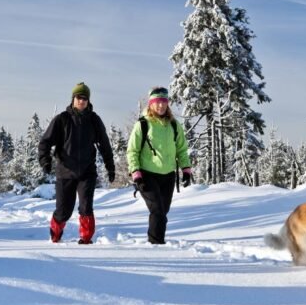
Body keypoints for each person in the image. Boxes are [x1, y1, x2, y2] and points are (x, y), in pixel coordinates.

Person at [38, 82, 115, 244]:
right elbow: (45, 142)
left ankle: (86, 239)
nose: (82, 101)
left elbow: (104, 145)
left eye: (85, 98)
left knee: (86, 208)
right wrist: (45, 160)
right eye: (79, 97)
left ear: (88, 101)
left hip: (87, 172)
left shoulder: (94, 120)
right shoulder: (62, 119)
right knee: (63, 211)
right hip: (65, 172)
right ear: (73, 99)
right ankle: (55, 233)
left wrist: (110, 166)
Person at [127, 86, 191, 244]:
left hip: (168, 176)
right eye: (157, 102)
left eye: (164, 102)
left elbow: (182, 149)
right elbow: (132, 151)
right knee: (157, 211)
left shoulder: (174, 126)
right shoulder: (142, 125)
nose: (161, 105)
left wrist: (186, 170)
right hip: (147, 175)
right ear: (151, 104)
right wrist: (136, 173)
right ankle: (156, 244)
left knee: (163, 211)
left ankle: (156, 241)